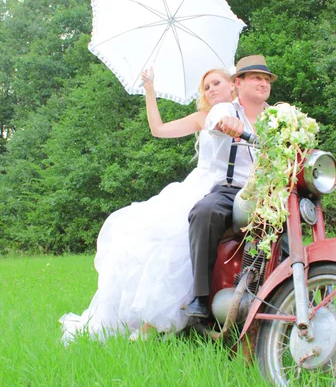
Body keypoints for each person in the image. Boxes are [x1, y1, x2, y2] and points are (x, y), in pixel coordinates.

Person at [59, 68, 235, 343]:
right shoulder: (207, 116)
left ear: (233, 85)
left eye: (216, 83)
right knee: (168, 244)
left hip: (228, 188)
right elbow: (158, 130)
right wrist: (149, 90)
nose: (211, 89)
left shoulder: (243, 114)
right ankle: (153, 322)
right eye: (206, 86)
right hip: (200, 186)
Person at [186, 55, 278, 318]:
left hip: (268, 193)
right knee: (204, 211)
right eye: (256, 78)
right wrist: (228, 125)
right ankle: (200, 299)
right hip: (232, 190)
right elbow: (216, 123)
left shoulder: (277, 117)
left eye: (266, 79)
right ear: (239, 82)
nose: (263, 83)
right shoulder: (226, 109)